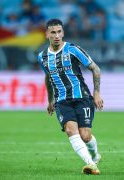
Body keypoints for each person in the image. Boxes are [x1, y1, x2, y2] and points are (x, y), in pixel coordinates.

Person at [37, 18, 103, 175]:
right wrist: (50, 99)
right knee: (70, 130)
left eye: (59, 32)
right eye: (53, 32)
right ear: (47, 34)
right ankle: (91, 165)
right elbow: (48, 77)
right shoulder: (43, 57)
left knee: (85, 136)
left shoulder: (73, 49)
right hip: (61, 100)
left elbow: (95, 69)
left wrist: (97, 93)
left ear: (63, 32)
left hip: (82, 97)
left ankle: (95, 156)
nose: (57, 35)